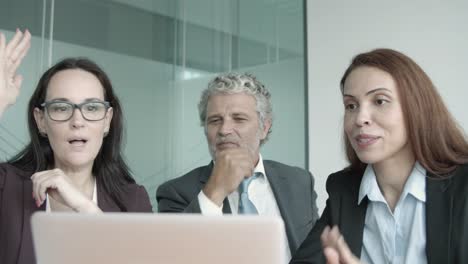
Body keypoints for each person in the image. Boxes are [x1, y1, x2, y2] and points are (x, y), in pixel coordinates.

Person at [290, 48, 468, 264]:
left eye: (380, 101)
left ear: (417, 108)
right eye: (351, 105)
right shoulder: (344, 189)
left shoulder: (462, 185)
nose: (360, 118)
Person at [0, 29, 153, 264]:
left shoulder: (133, 201)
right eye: (62, 107)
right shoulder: (6, 187)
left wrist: (86, 209)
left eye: (92, 108)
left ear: (107, 121)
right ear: (41, 120)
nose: (78, 121)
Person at [156, 73, 319, 262]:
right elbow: (175, 256)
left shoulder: (299, 181)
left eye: (239, 119)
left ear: (264, 127)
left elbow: (315, 253)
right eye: (215, 120)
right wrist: (214, 191)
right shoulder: (175, 192)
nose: (224, 130)